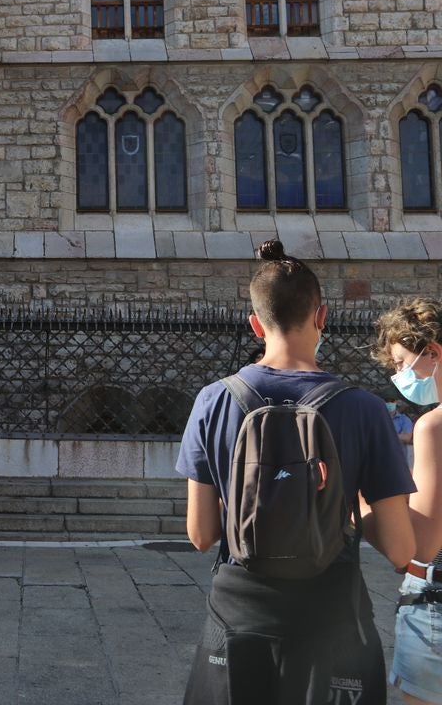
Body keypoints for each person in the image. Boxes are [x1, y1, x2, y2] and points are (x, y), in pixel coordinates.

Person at [177, 240, 414, 704]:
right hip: (333, 618)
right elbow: (402, 548)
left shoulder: (214, 400)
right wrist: (348, 506)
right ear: (322, 318)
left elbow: (202, 534)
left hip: (238, 617)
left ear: (255, 324)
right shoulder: (365, 409)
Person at [375, 298, 442, 705]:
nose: (399, 375)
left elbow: (422, 547)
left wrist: (369, 499)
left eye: (401, 362)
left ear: (432, 351)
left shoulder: (433, 427)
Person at [387, 399, 416, 467]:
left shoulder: (404, 420)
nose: (388, 403)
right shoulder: (377, 418)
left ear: (396, 403)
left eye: (391, 401)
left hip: (399, 461)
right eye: (386, 401)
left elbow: (406, 437)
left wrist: (385, 435)